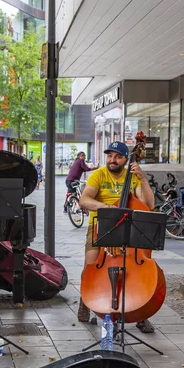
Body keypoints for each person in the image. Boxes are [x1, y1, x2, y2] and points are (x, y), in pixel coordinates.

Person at [78, 141, 156, 334]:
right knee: (91, 262)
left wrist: (143, 179)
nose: (112, 160)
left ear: (125, 159)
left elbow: (148, 204)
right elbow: (84, 200)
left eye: (117, 156)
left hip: (128, 227)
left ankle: (140, 312)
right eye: (109, 156)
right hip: (100, 225)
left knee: (135, 268)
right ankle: (86, 300)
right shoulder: (98, 175)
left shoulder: (133, 177)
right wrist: (108, 208)